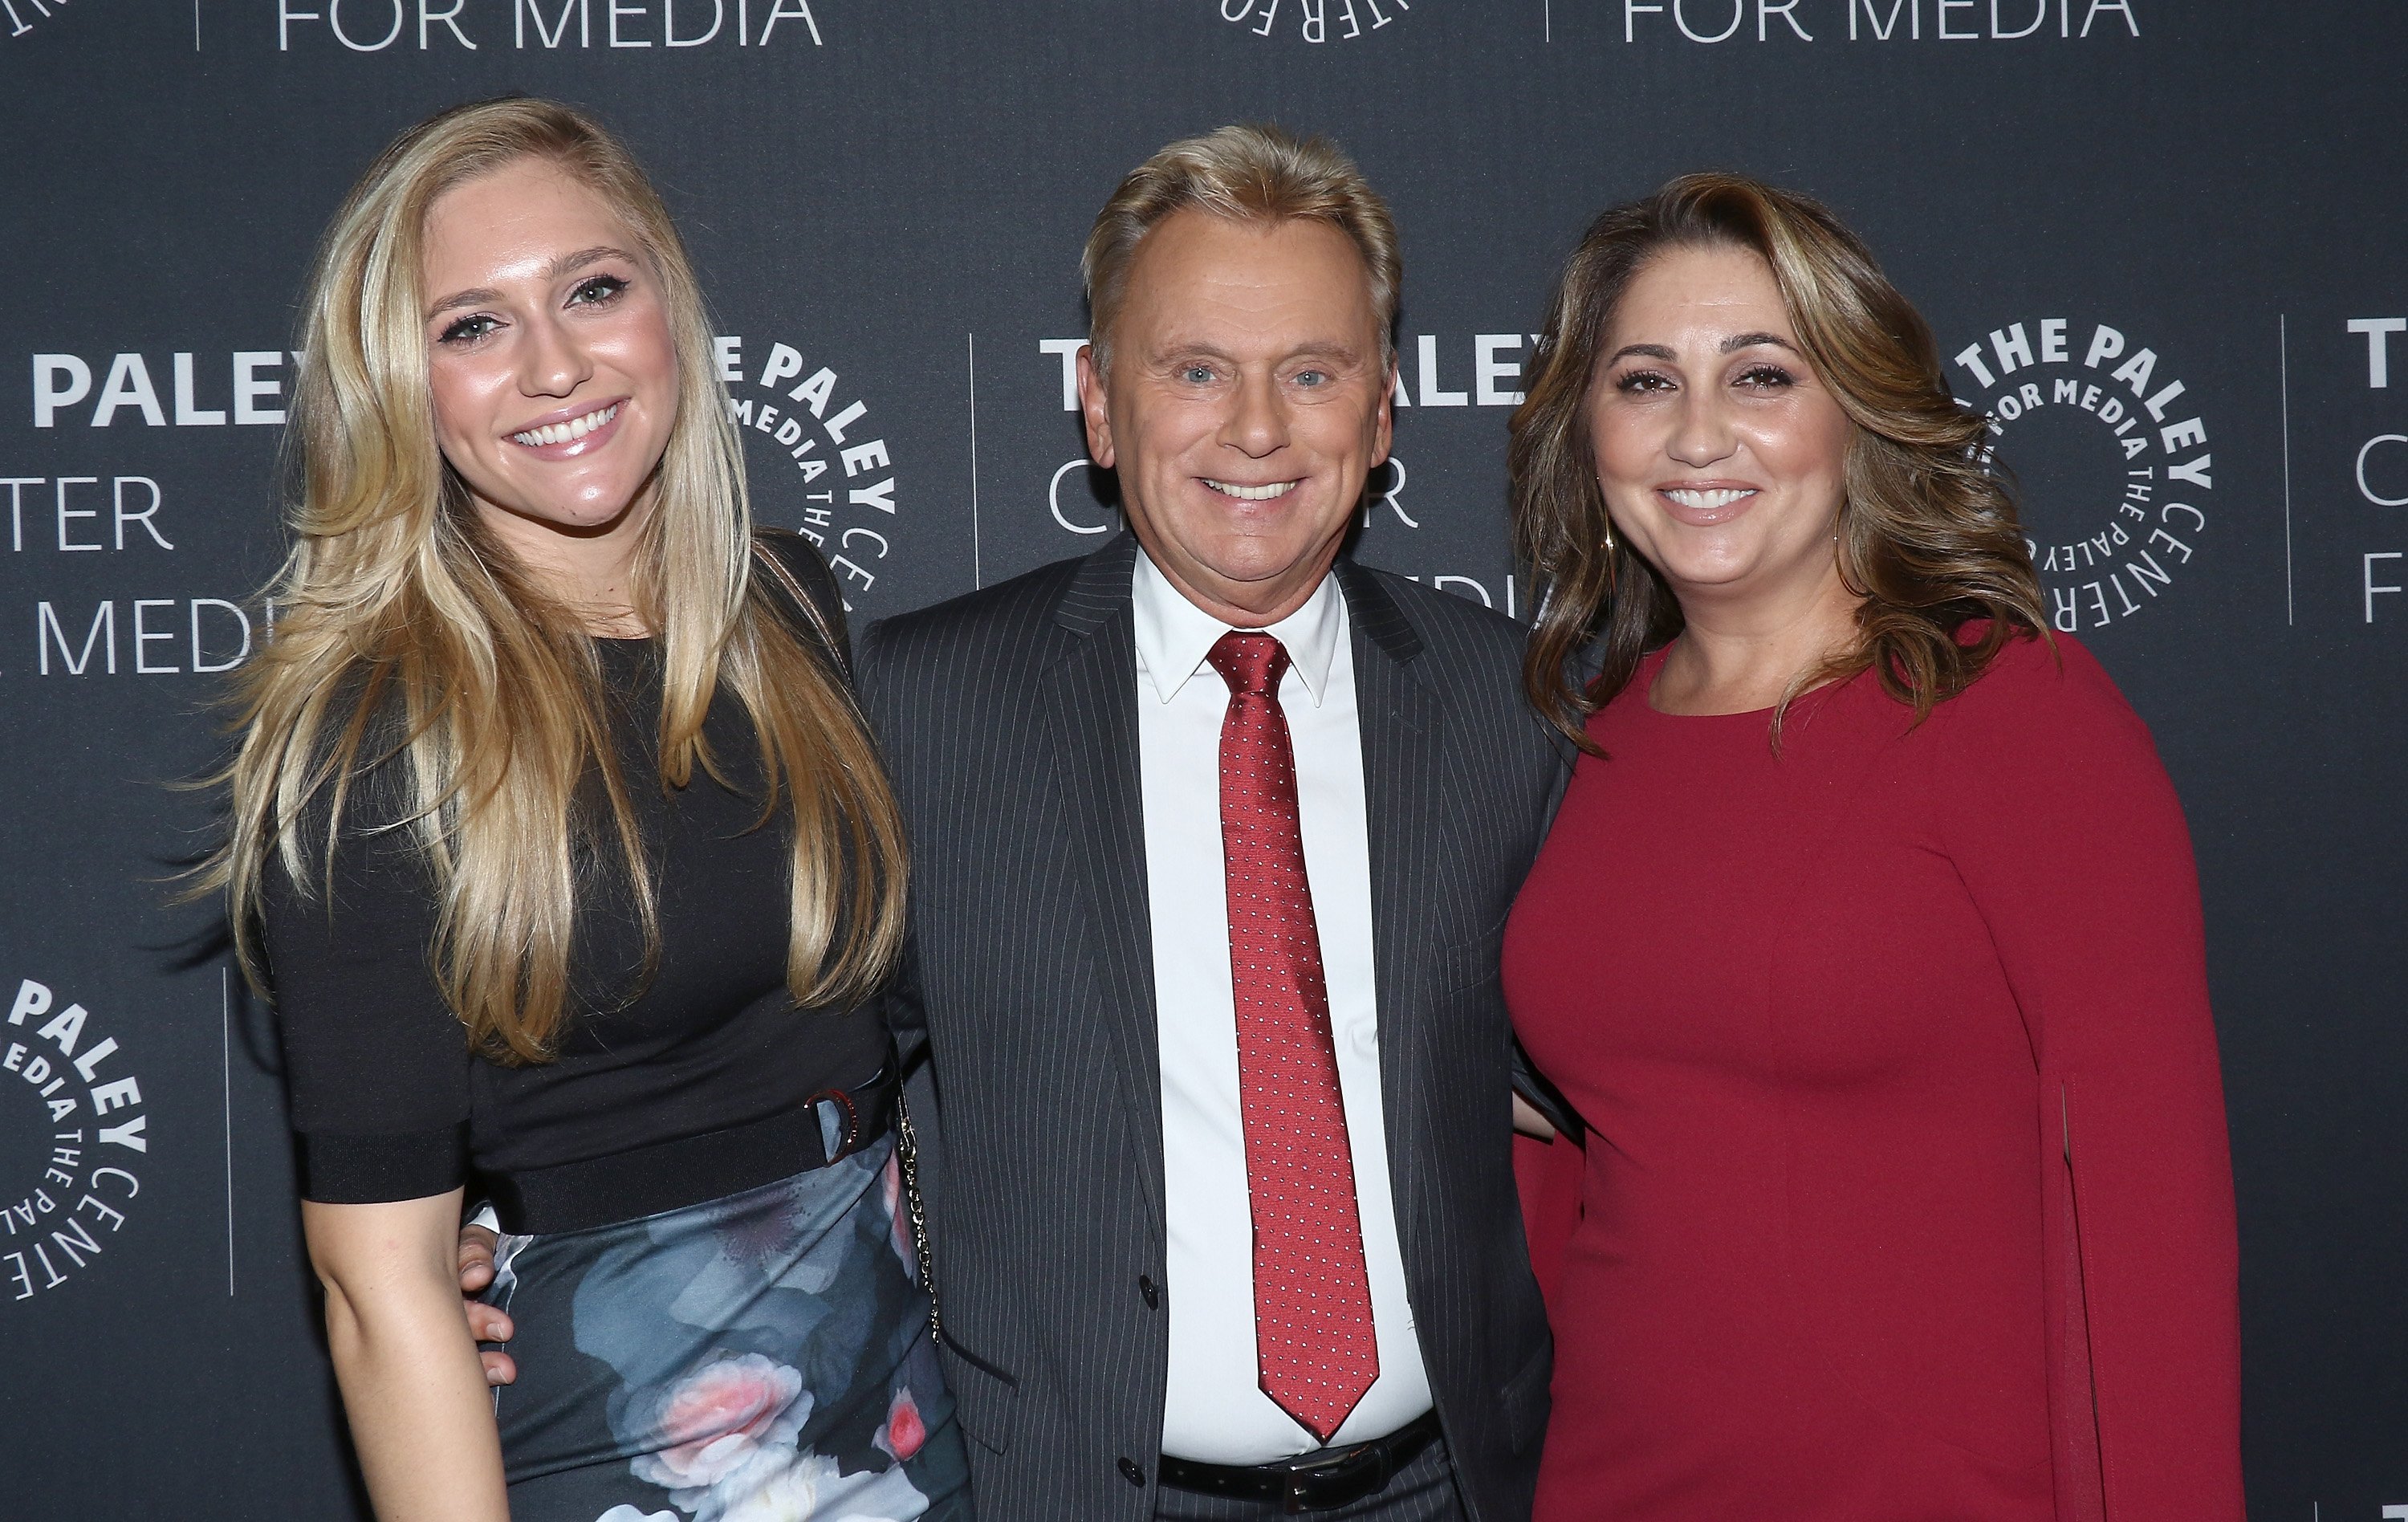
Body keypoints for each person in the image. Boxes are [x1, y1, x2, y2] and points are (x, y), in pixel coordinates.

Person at [468, 123, 1568, 1521]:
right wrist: (527, 1243)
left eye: (1313, 371)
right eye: (1194, 371)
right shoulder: (917, 706)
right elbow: (748, 1033)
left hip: (1455, 1487)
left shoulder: (1509, 706)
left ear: (1387, 409)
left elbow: (1638, 1060)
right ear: (1100, 405)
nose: (1257, 428)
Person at [209, 97, 968, 1521]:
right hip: (633, 1439)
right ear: (400, 387)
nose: (554, 365)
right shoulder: (379, 740)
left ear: (665, 308)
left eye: (592, 290)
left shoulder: (787, 605)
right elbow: (381, 1292)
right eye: (472, 326)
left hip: (906, 1388)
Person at [1501, 173, 2244, 1518]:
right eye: (1646, 381)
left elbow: (2150, 1213)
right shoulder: (1599, 740)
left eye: (1764, 376)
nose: (1700, 435)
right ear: (1583, 427)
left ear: (1859, 411)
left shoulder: (2011, 712)